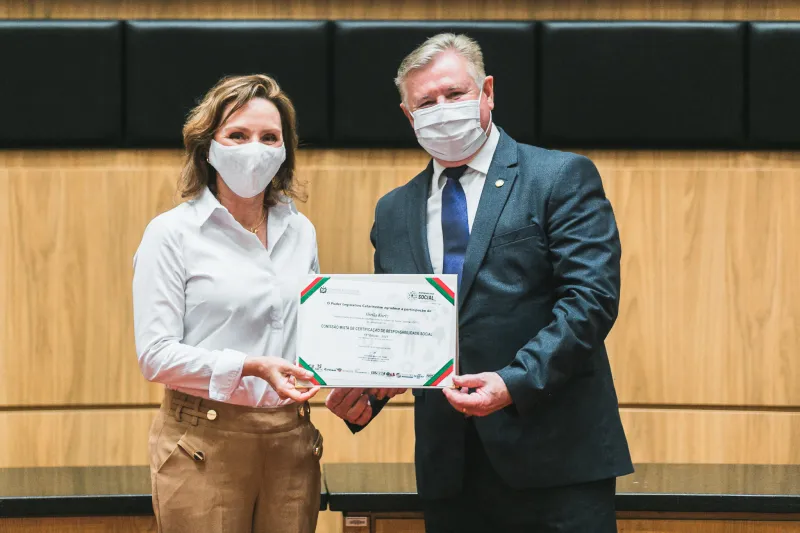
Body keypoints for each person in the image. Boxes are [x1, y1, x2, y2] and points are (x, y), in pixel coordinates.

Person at [326, 34, 633, 532]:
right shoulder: (394, 210)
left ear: (487, 91)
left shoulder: (558, 177)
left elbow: (590, 301)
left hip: (556, 462)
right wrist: (369, 389)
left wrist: (512, 382)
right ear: (408, 115)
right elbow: (407, 329)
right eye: (426, 102)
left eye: (455, 94)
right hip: (451, 471)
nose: (442, 110)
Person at [132, 74, 323, 533]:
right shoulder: (171, 234)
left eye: (269, 137)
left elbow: (314, 334)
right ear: (208, 147)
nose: (253, 149)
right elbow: (154, 355)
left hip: (290, 439)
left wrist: (350, 381)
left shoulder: (301, 231)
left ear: (284, 151)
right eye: (236, 135)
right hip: (203, 439)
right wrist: (250, 367)